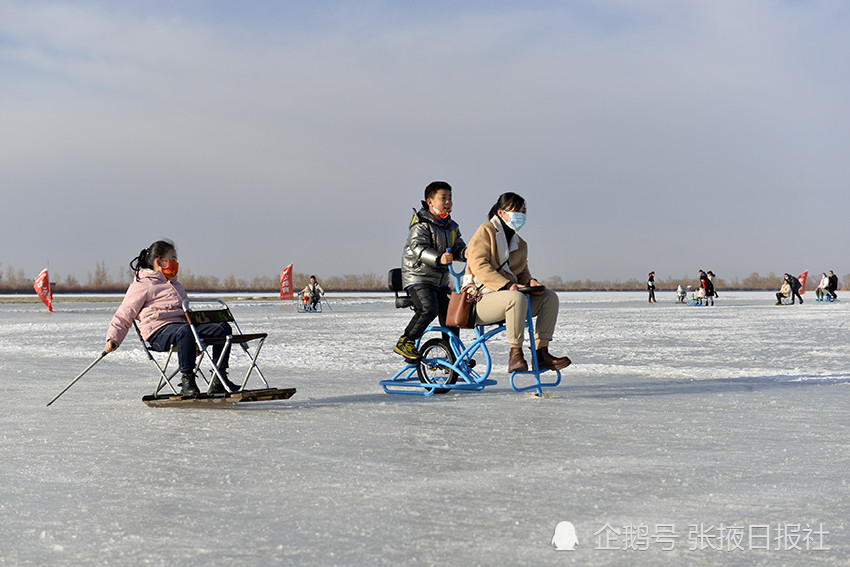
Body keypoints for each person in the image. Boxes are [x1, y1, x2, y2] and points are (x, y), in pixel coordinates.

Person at [104, 240, 237, 397]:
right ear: (159, 261)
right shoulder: (142, 284)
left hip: (182, 329)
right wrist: (113, 338)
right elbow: (125, 313)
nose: (176, 263)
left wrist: (196, 341)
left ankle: (219, 378)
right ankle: (187, 380)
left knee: (223, 328)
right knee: (185, 331)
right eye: (172, 259)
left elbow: (186, 312)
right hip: (158, 332)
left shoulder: (176, 285)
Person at [464, 192, 571, 373]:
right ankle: (516, 354)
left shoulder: (521, 244)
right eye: (515, 210)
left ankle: (541, 353)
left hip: (508, 300)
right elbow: (478, 265)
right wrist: (506, 285)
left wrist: (532, 283)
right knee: (516, 298)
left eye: (523, 211)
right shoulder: (486, 231)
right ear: (501, 213)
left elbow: (522, 274)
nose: (520, 215)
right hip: (479, 300)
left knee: (549, 297)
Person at [395, 181, 467, 362]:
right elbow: (418, 247)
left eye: (450, 198)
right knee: (429, 309)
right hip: (418, 277)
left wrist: (466, 253)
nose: (448, 202)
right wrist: (438, 258)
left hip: (440, 281)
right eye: (443, 198)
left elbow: (457, 246)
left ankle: (453, 355)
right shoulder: (421, 224)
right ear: (430, 201)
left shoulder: (452, 226)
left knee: (452, 315)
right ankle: (406, 341)